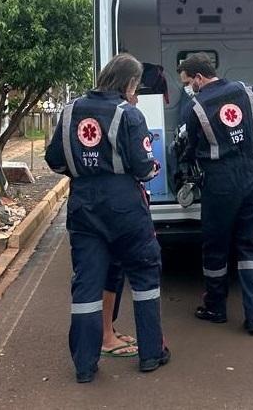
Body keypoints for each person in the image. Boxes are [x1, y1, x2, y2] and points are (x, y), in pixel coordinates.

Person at [45, 53, 170, 383]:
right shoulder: (129, 114)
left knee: (87, 281)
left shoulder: (70, 109)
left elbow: (54, 159)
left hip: (83, 204)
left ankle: (85, 366)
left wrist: (84, 172)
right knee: (144, 274)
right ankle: (150, 354)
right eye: (136, 86)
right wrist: (150, 168)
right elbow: (143, 167)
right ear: (129, 84)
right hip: (123, 205)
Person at [177, 53, 253, 334]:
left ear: (198, 78)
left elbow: (189, 148)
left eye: (187, 82)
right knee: (250, 246)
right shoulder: (252, 92)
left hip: (220, 183)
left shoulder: (194, 108)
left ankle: (216, 308)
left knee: (216, 247)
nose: (188, 88)